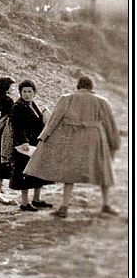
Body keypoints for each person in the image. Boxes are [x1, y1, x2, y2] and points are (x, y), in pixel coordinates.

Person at [24, 75, 121, 219]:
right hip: (94, 140)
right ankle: (106, 204)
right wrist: (114, 142)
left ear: (78, 86)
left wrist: (44, 136)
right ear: (91, 87)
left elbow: (54, 119)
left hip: (72, 139)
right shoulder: (102, 101)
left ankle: (64, 207)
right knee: (104, 170)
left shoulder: (67, 98)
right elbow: (110, 124)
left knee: (70, 173)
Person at [8, 80, 49, 211]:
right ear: (20, 92)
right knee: (23, 172)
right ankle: (24, 202)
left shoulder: (33, 105)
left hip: (35, 142)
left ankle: (36, 199)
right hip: (24, 145)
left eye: (29, 92)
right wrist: (23, 141)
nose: (27, 94)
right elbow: (17, 126)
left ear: (34, 93)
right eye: (24, 92)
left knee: (38, 171)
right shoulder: (17, 106)